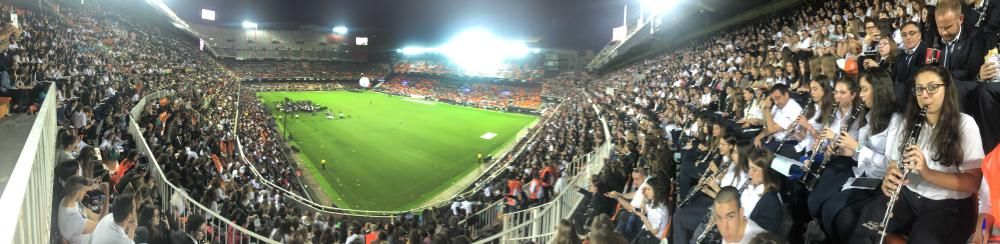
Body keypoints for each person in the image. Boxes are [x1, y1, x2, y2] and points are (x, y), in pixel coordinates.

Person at [850, 66, 984, 243]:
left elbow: (973, 183)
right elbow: (894, 162)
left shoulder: (965, 125)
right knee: (866, 226)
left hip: (947, 204)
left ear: (947, 89)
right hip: (909, 194)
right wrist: (891, 175)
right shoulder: (907, 123)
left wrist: (927, 172)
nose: (924, 95)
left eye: (932, 87)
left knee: (923, 238)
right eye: (919, 89)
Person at [754, 84, 804, 159]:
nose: (776, 102)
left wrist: (767, 108)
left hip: (786, 143)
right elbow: (768, 125)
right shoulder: (777, 105)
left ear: (786, 95)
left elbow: (772, 129)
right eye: (773, 99)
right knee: (750, 144)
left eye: (778, 98)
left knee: (758, 156)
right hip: (773, 139)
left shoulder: (794, 109)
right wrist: (758, 137)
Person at [58, 176, 109, 244]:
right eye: (84, 191)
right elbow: (102, 224)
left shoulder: (67, 201)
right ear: (76, 193)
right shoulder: (74, 219)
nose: (85, 193)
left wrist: (91, 187)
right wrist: (107, 194)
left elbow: (96, 217)